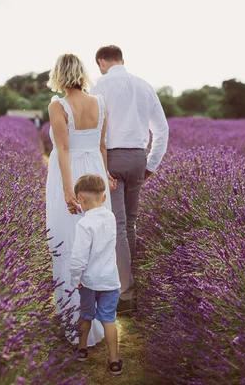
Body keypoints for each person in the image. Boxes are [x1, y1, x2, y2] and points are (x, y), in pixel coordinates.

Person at [91, 45, 169, 311]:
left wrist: (97, 167)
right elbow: (162, 130)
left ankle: (125, 293)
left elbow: (92, 130)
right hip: (138, 158)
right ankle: (128, 284)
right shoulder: (144, 85)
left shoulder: (98, 85)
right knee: (130, 224)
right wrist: (151, 165)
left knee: (118, 226)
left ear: (101, 62)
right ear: (122, 60)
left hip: (110, 158)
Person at [45, 53, 116, 347]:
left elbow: (63, 149)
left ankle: (73, 317)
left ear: (60, 75)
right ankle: (95, 316)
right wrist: (106, 175)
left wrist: (66, 190)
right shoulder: (99, 102)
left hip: (71, 171)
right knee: (96, 242)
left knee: (67, 239)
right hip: (95, 171)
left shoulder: (57, 105)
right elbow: (101, 146)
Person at [70, 174, 123, 376]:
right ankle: (114, 361)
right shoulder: (110, 217)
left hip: (89, 282)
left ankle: (82, 351)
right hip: (110, 280)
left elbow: (78, 258)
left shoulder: (83, 225)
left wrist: (76, 279)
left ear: (80, 199)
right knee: (109, 319)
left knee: (85, 315)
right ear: (104, 197)